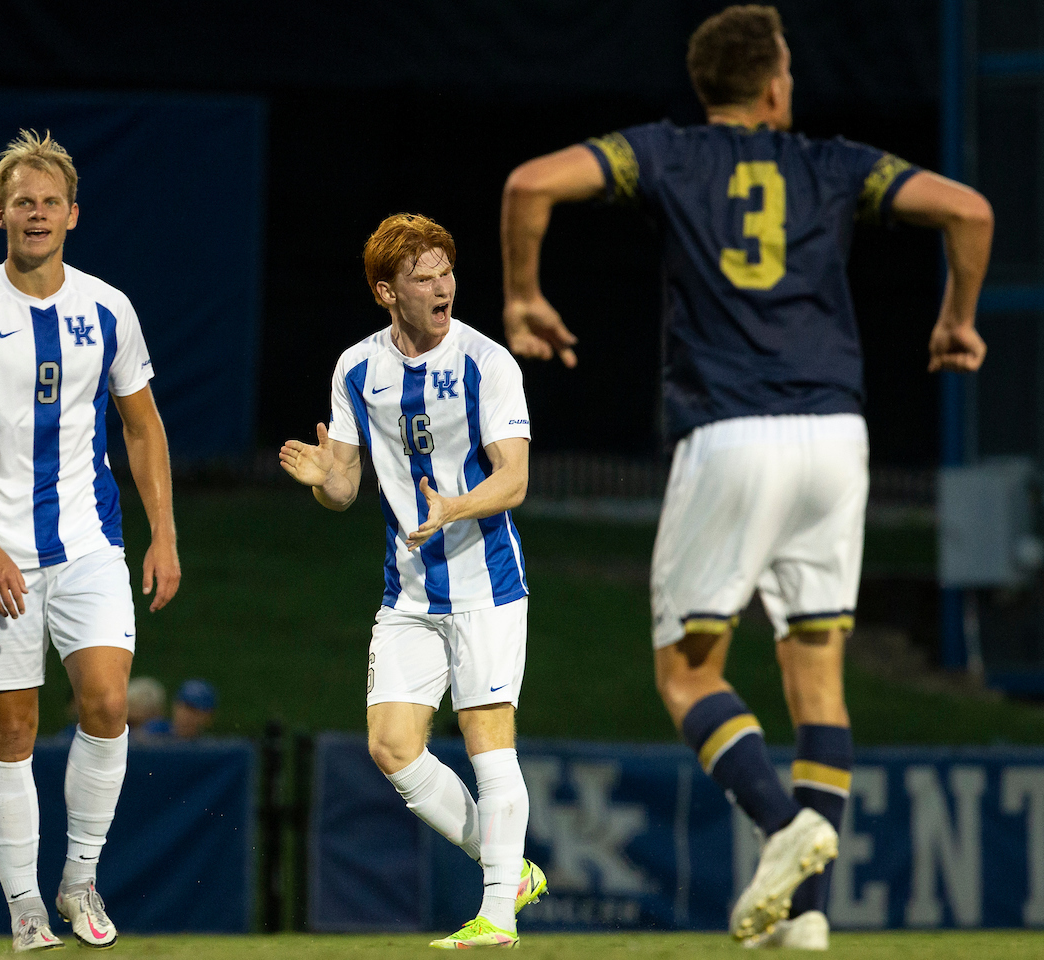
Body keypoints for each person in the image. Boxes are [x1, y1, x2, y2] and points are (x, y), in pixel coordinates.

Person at [500, 5, 990, 949]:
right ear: (773, 85)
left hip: (731, 434)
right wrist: (955, 317)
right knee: (818, 676)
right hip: (838, 441)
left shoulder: (667, 154)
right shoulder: (834, 163)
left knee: (686, 675)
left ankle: (783, 826)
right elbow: (968, 209)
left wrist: (525, 294)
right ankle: (804, 919)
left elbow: (530, 185)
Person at [0, 129, 181, 952]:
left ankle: (79, 880)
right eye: (22, 202)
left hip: (91, 544)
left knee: (106, 704)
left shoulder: (107, 309)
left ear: (73, 214)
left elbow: (142, 428)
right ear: (0, 214)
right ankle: (25, 904)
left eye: (49, 202)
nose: (36, 214)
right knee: (12, 731)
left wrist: (163, 534)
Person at [280, 213, 547, 948]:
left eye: (447, 273)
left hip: (486, 583)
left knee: (488, 736)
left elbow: (515, 478)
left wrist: (455, 506)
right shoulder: (356, 369)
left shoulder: (487, 364)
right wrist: (319, 479)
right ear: (385, 292)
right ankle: (511, 870)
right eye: (422, 278)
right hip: (408, 591)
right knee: (392, 745)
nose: (442, 288)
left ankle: (496, 914)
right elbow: (342, 490)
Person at [141, 678, 218, 739]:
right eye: (186, 708)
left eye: (197, 711)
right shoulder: (154, 731)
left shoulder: (207, 748)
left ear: (208, 717)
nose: (189, 716)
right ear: (175, 706)